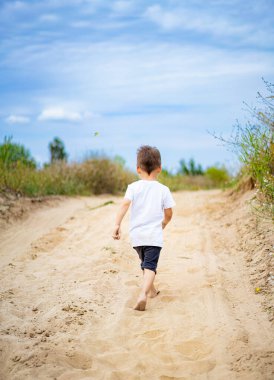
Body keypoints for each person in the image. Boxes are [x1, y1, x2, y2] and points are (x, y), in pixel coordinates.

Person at [112, 145, 175, 311]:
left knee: (145, 263)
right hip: (153, 235)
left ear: (138, 169)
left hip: (137, 236)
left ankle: (152, 291)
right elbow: (169, 213)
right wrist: (163, 224)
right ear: (159, 169)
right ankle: (143, 294)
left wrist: (117, 224)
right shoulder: (163, 190)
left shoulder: (133, 187)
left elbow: (124, 204)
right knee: (150, 267)